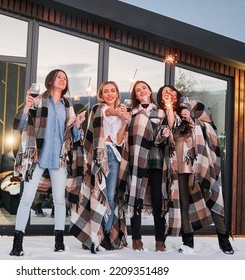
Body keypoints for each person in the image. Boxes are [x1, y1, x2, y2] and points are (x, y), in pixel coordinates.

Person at [9, 69, 86, 256]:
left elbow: (75, 137)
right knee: (26, 199)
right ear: (50, 80)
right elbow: (18, 125)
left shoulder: (68, 105)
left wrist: (77, 125)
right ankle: (17, 243)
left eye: (65, 78)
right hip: (36, 157)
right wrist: (27, 106)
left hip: (59, 158)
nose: (62, 80)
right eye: (59, 77)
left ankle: (59, 242)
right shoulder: (37, 100)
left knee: (60, 201)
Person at [156, 85, 234, 255]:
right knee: (183, 203)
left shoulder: (194, 105)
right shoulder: (165, 116)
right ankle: (187, 242)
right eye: (164, 94)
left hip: (199, 162)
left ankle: (224, 239)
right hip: (178, 165)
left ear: (176, 93)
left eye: (170, 92)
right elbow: (167, 133)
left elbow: (210, 125)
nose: (168, 95)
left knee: (211, 196)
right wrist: (169, 114)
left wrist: (192, 119)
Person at [69, 81, 130, 253]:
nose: (109, 94)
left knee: (109, 198)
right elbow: (107, 111)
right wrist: (119, 113)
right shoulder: (98, 109)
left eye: (113, 91)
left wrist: (124, 122)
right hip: (97, 157)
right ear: (101, 95)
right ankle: (91, 234)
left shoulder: (120, 115)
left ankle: (105, 236)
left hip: (113, 157)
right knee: (95, 194)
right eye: (106, 91)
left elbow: (118, 141)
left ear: (117, 93)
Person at [118, 81, 167, 252]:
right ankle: (136, 239)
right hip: (137, 159)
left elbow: (163, 136)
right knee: (135, 198)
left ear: (150, 90)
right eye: (138, 90)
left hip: (155, 159)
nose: (141, 91)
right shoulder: (132, 113)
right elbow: (127, 136)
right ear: (136, 96)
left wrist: (162, 135)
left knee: (157, 200)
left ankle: (160, 240)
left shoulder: (160, 111)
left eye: (144, 88)